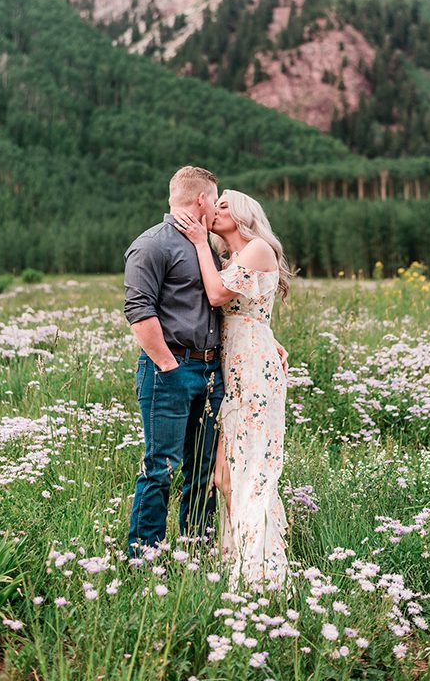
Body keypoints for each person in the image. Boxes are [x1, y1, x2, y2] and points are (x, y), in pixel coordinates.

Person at [173, 189, 292, 587]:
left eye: (223, 205)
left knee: (251, 468)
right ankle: (242, 559)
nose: (215, 210)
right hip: (236, 366)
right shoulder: (230, 259)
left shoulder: (258, 248)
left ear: (242, 214)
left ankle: (261, 571)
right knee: (225, 474)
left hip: (255, 370)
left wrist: (198, 245)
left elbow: (219, 294)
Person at [124, 166, 226, 559]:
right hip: (170, 369)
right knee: (160, 467)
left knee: (202, 471)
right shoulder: (152, 244)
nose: (216, 208)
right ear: (201, 199)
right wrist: (168, 366)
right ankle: (143, 557)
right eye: (215, 200)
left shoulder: (209, 247)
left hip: (211, 372)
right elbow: (138, 310)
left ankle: (195, 549)